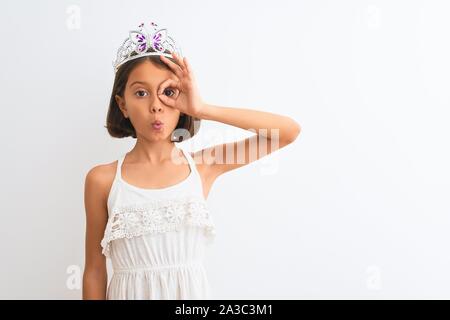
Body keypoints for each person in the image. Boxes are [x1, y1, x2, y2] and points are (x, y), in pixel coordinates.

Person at [82, 21, 301, 300]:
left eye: (168, 92)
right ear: (122, 104)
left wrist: (202, 109)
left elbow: (286, 132)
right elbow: (94, 270)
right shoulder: (102, 180)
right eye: (141, 93)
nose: (156, 105)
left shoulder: (202, 166)